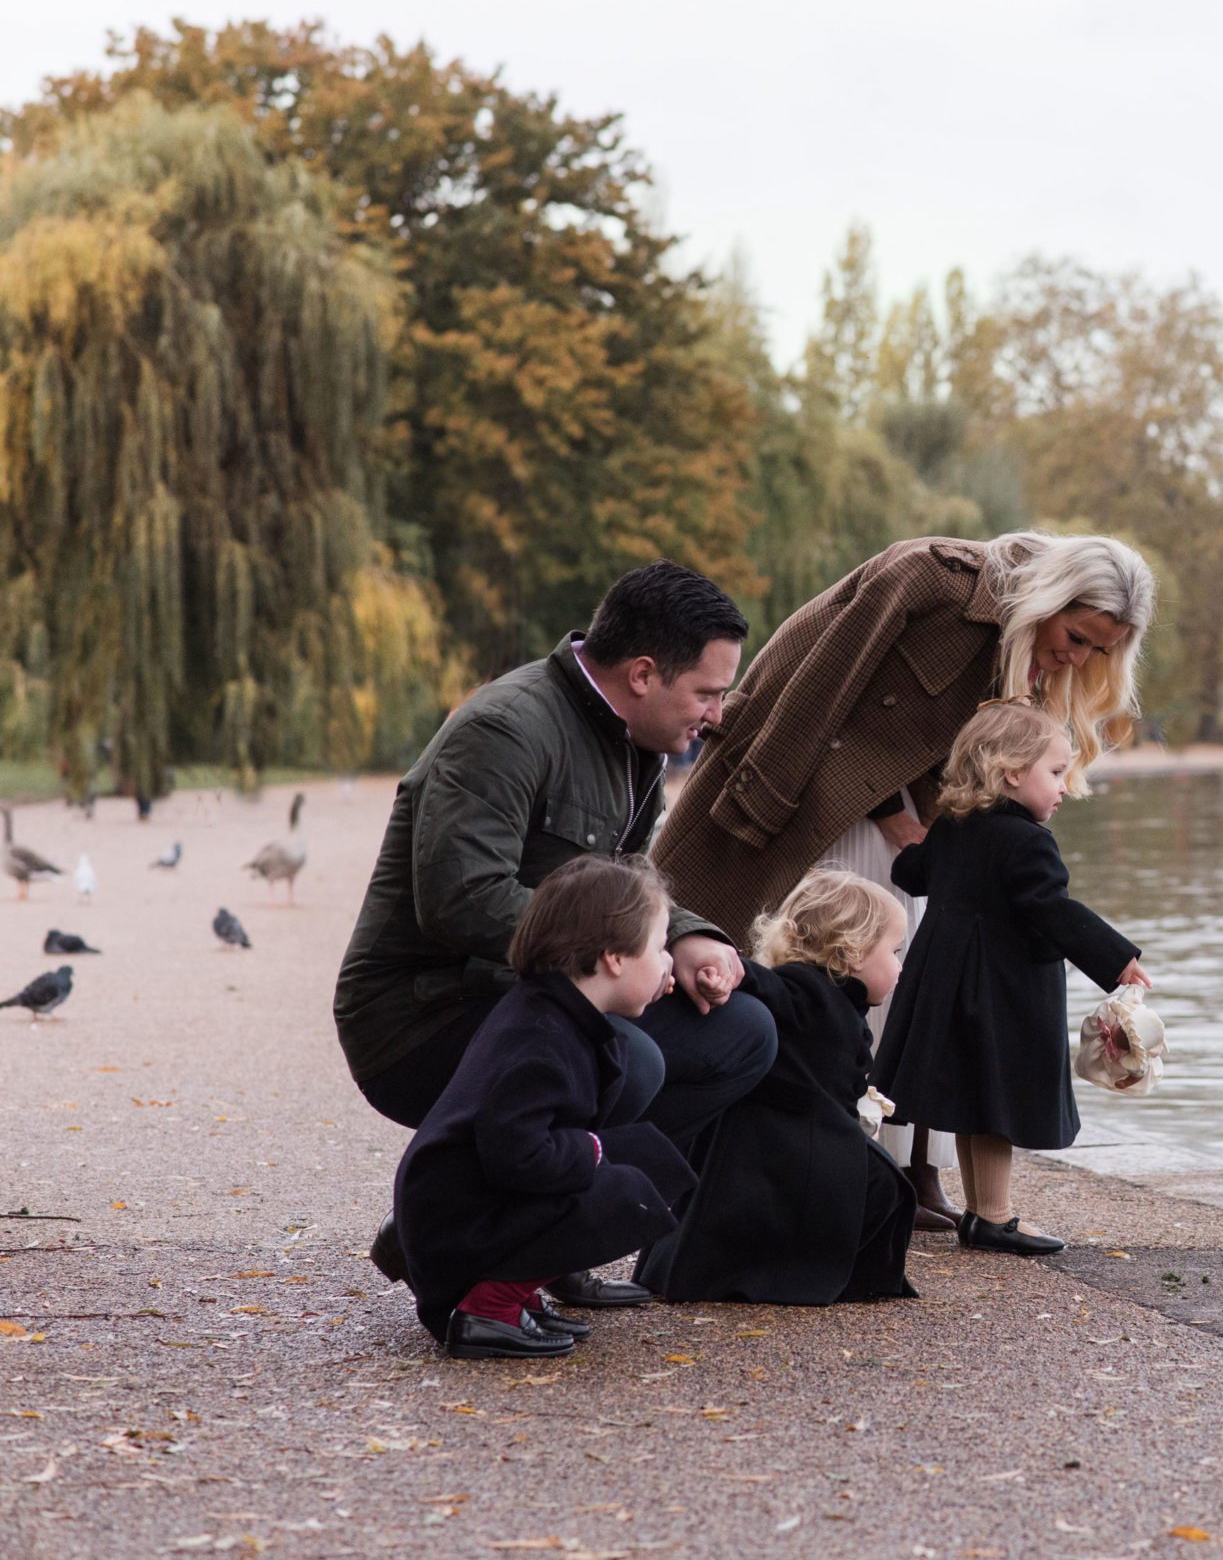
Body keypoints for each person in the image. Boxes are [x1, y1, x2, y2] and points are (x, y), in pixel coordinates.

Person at [652, 532, 1155, 1231]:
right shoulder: (930, 579)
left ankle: (894, 1171)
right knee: (841, 976)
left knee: (910, 986)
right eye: (1076, 635)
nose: (1077, 657)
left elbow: (939, 746)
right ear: (1051, 597)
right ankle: (827, 1165)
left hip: (909, 820)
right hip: (815, 801)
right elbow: (828, 698)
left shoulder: (1017, 645)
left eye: (1098, 650)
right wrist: (879, 816)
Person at [336, 561, 776, 1307]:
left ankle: (545, 1233)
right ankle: (469, 1229)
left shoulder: (633, 741)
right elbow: (459, 898)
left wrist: (689, 937)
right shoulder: (505, 728)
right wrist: (618, 956)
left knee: (745, 1032)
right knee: (627, 1058)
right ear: (642, 673)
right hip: (418, 1013)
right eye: (708, 691)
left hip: (529, 1002)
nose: (718, 713)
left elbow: (630, 877)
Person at [873, 701, 1150, 1255]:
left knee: (978, 1100)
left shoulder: (956, 828)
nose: (1064, 787)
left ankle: (981, 1216)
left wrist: (924, 851)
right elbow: (1053, 909)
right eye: (1055, 772)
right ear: (1010, 774)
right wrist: (1118, 959)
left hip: (950, 983)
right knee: (997, 1101)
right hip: (1001, 991)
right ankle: (993, 1217)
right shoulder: (1027, 841)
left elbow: (911, 871)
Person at [392, 857, 696, 1360]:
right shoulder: (541, 1040)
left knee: (648, 1157)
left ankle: (518, 1291)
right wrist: (593, 1150)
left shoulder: (553, 1013)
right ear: (614, 958)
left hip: (467, 1211)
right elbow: (518, 1156)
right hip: (456, 1232)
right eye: (660, 947)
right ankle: (489, 1307)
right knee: (625, 1189)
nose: (667, 962)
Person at [638, 870, 918, 1303]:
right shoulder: (811, 990)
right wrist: (728, 973)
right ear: (853, 952)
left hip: (774, 1141)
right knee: (884, 1186)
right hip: (780, 1149)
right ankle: (825, 1274)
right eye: (895, 951)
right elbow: (767, 986)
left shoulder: (837, 1000)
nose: (901, 965)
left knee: (883, 1182)